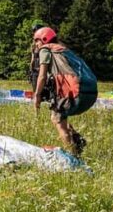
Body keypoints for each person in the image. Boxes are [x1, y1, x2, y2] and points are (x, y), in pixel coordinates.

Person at [32, 27, 88, 155]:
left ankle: (74, 155)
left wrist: (37, 95)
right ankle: (77, 140)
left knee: (56, 118)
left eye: (37, 40)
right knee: (61, 115)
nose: (36, 44)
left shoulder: (45, 50)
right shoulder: (62, 49)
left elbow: (42, 75)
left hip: (70, 90)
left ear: (44, 39)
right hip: (86, 90)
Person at [28, 20, 45, 88]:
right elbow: (33, 59)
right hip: (35, 69)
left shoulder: (45, 40)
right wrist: (30, 72)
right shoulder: (34, 43)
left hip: (43, 68)